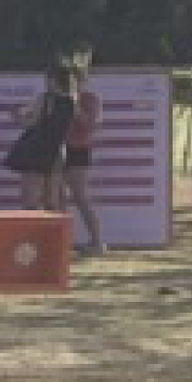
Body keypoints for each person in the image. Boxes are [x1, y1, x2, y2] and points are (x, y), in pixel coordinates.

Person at [54, 56, 108, 257]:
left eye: (74, 80)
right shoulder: (56, 98)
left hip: (79, 149)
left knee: (79, 196)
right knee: (59, 196)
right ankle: (62, 244)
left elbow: (91, 125)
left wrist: (75, 106)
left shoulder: (90, 99)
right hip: (58, 149)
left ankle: (97, 241)